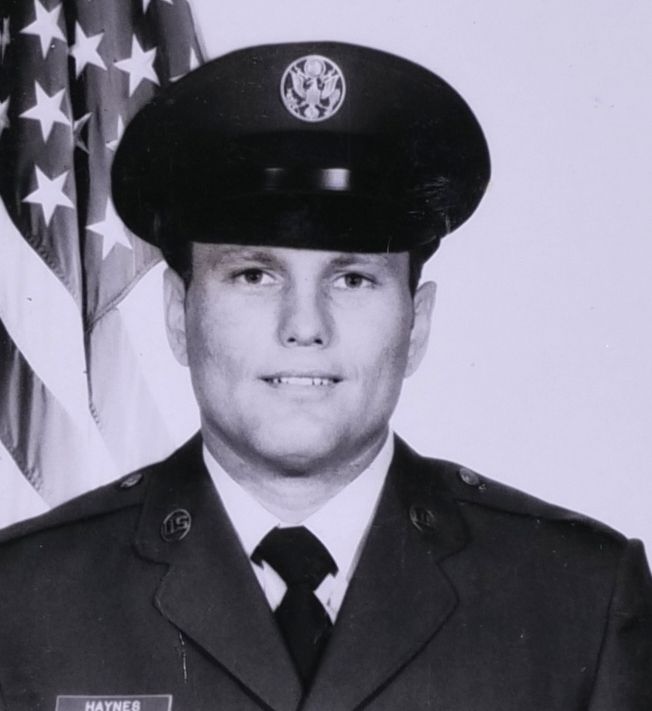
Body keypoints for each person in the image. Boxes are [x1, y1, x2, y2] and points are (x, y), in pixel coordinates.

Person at [0, 41, 650, 711]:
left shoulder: (578, 601)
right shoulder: (22, 599)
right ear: (177, 313)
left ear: (417, 324)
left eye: (353, 279)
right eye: (254, 276)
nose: (304, 325)